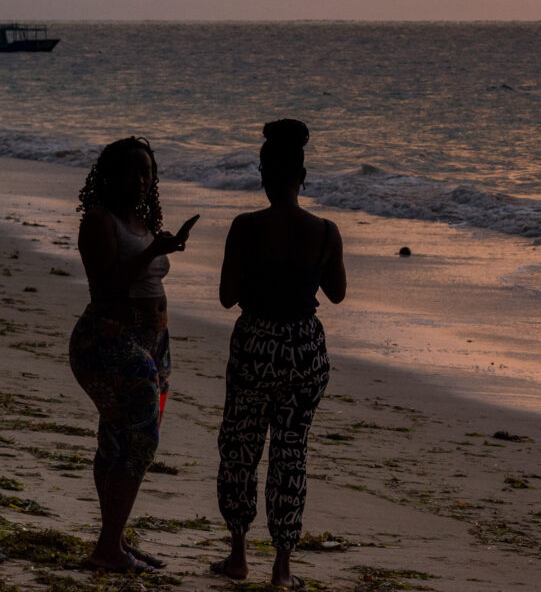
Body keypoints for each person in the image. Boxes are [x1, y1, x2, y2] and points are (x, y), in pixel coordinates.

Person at [212, 119, 346, 590]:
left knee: (240, 449)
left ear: (263, 175)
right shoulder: (325, 231)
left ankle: (238, 555)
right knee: (291, 453)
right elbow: (337, 294)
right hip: (304, 349)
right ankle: (282, 567)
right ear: (302, 177)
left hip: (255, 345)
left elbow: (227, 297)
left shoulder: (246, 227)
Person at [70, 136, 198, 573]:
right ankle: (108, 547)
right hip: (108, 339)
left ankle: (114, 539)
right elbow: (107, 286)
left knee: (117, 436)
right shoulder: (99, 221)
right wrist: (154, 251)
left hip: (154, 341)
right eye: (132, 171)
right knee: (140, 439)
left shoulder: (143, 220)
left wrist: (161, 247)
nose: (142, 179)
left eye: (147, 171)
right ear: (111, 175)